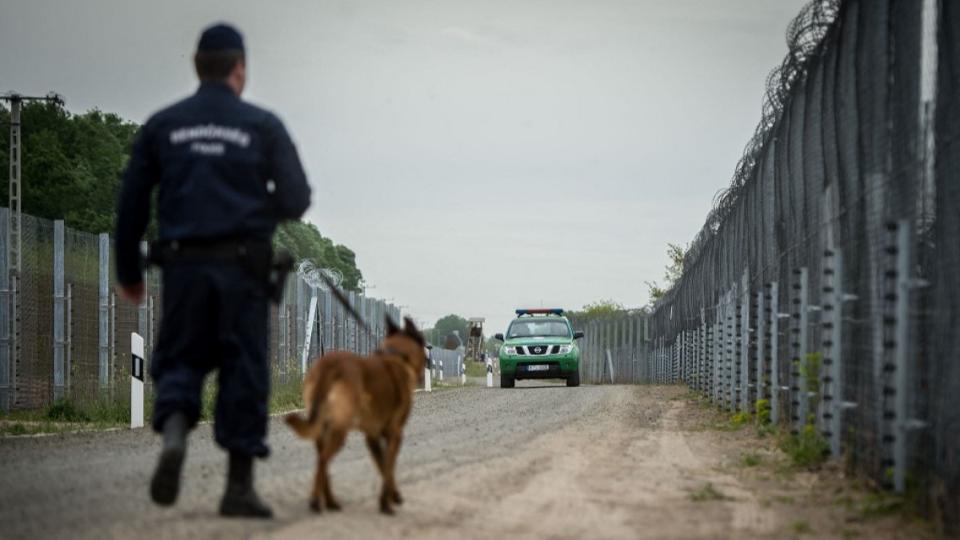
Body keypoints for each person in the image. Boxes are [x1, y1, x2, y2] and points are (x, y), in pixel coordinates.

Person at [115, 23, 311, 518]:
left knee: (180, 359)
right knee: (244, 369)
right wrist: (256, 210)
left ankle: (176, 436)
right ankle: (238, 488)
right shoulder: (262, 125)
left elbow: (132, 204)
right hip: (244, 271)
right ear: (239, 68)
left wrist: (129, 272)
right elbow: (296, 197)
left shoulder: (163, 125)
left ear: (197, 66)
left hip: (183, 268)